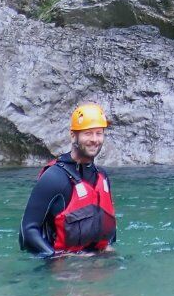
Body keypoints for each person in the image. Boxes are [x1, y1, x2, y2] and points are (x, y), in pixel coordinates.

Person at [18, 103, 116, 257]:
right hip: (62, 269)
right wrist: (59, 259)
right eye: (88, 133)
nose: (95, 139)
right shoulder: (54, 178)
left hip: (97, 264)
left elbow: (107, 232)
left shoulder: (102, 177)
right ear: (73, 135)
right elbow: (27, 232)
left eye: (99, 133)